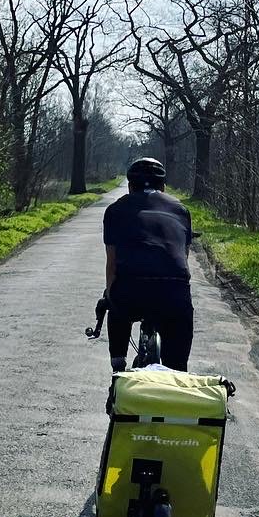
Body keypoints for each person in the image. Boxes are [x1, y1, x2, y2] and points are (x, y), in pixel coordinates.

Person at [101, 157, 194, 372]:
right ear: (163, 186)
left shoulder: (115, 210)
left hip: (131, 290)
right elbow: (184, 260)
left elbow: (112, 264)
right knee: (177, 366)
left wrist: (109, 294)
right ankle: (178, 374)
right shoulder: (181, 210)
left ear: (130, 186)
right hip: (173, 291)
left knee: (115, 302)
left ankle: (118, 366)